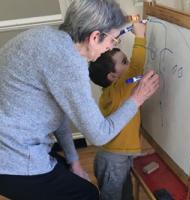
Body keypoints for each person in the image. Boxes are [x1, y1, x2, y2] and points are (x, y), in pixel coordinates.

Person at [0, 0, 159, 199]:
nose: (110, 47)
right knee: (89, 195)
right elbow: (99, 135)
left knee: (78, 183)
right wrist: (137, 98)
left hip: (12, 147)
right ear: (94, 37)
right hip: (12, 160)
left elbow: (58, 114)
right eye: (113, 40)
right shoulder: (68, 62)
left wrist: (74, 161)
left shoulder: (43, 36)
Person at [89, 22, 146, 200]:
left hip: (116, 156)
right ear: (113, 77)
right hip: (114, 160)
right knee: (112, 197)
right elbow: (136, 67)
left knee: (124, 193)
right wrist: (140, 37)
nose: (129, 63)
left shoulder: (111, 92)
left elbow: (133, 72)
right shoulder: (118, 90)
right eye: (124, 62)